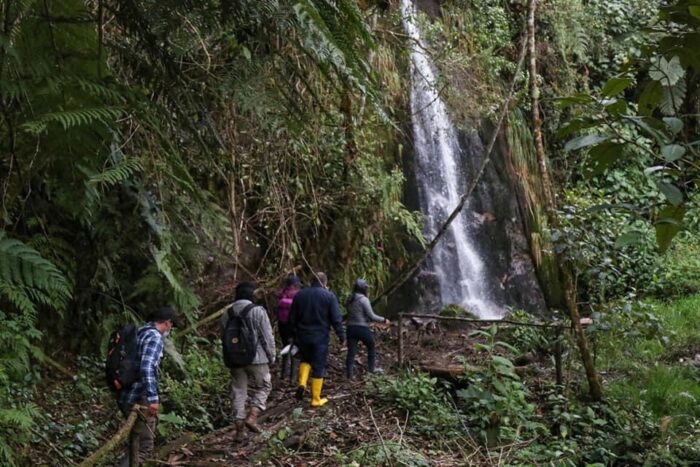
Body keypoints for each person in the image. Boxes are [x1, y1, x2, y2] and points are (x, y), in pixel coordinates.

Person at [118, 306, 176, 467]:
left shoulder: (140, 332)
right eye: (171, 324)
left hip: (125, 394)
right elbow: (147, 366)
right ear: (167, 323)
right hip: (139, 397)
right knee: (143, 447)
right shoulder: (154, 337)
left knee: (134, 443)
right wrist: (153, 398)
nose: (171, 328)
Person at [219, 281, 275, 441]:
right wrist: (272, 356)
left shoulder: (226, 314)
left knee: (238, 391)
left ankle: (239, 430)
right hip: (257, 358)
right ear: (251, 294)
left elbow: (224, 337)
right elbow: (267, 336)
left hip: (234, 359)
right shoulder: (257, 311)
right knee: (265, 385)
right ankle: (253, 415)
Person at [289, 271, 345, 407]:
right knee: (318, 365)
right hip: (320, 337)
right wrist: (342, 336)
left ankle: (302, 384)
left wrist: (294, 335)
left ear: (311, 281)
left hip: (303, 336)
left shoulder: (300, 295)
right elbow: (336, 319)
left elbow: (292, 318)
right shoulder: (329, 296)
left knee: (305, 359)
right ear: (325, 283)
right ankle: (315, 398)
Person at [345, 279, 389, 379]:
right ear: (363, 289)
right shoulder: (364, 300)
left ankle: (349, 374)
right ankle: (371, 368)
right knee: (371, 345)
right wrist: (384, 320)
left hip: (350, 328)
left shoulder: (349, 298)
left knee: (351, 351)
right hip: (361, 327)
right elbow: (372, 316)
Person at [277, 274, 301, 382]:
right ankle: (293, 377)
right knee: (295, 349)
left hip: (282, 325)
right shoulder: (298, 296)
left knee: (285, 348)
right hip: (293, 325)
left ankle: (283, 374)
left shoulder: (282, 294)